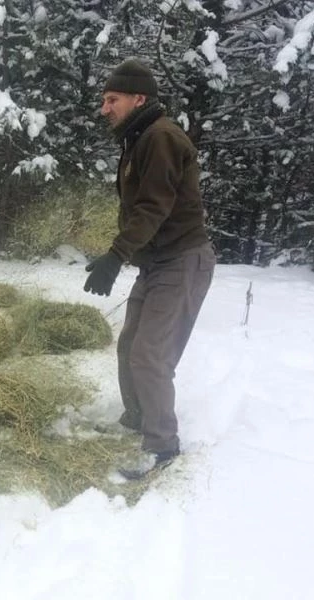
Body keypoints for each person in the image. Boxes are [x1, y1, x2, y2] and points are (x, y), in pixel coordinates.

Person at [83, 58, 215, 479]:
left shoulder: (159, 137)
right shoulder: (139, 137)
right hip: (158, 262)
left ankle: (162, 449)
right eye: (104, 99)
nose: (105, 108)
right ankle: (138, 419)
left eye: (112, 99)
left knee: (150, 354)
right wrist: (123, 256)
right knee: (130, 346)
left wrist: (115, 256)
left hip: (182, 261)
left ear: (139, 99)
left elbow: (152, 207)